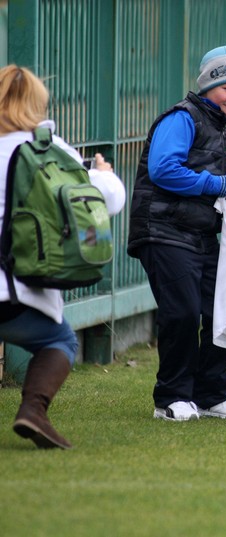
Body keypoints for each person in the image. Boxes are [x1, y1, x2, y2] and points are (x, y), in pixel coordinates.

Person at [0, 65, 126, 449]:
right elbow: (112, 199)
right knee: (59, 341)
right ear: (38, 103)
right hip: (15, 289)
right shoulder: (47, 149)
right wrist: (103, 172)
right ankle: (33, 411)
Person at [127, 46, 226, 421]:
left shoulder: (217, 128)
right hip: (162, 229)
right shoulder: (181, 118)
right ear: (209, 84)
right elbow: (164, 170)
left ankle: (211, 395)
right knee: (181, 312)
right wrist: (218, 184)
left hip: (199, 235)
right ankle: (171, 397)